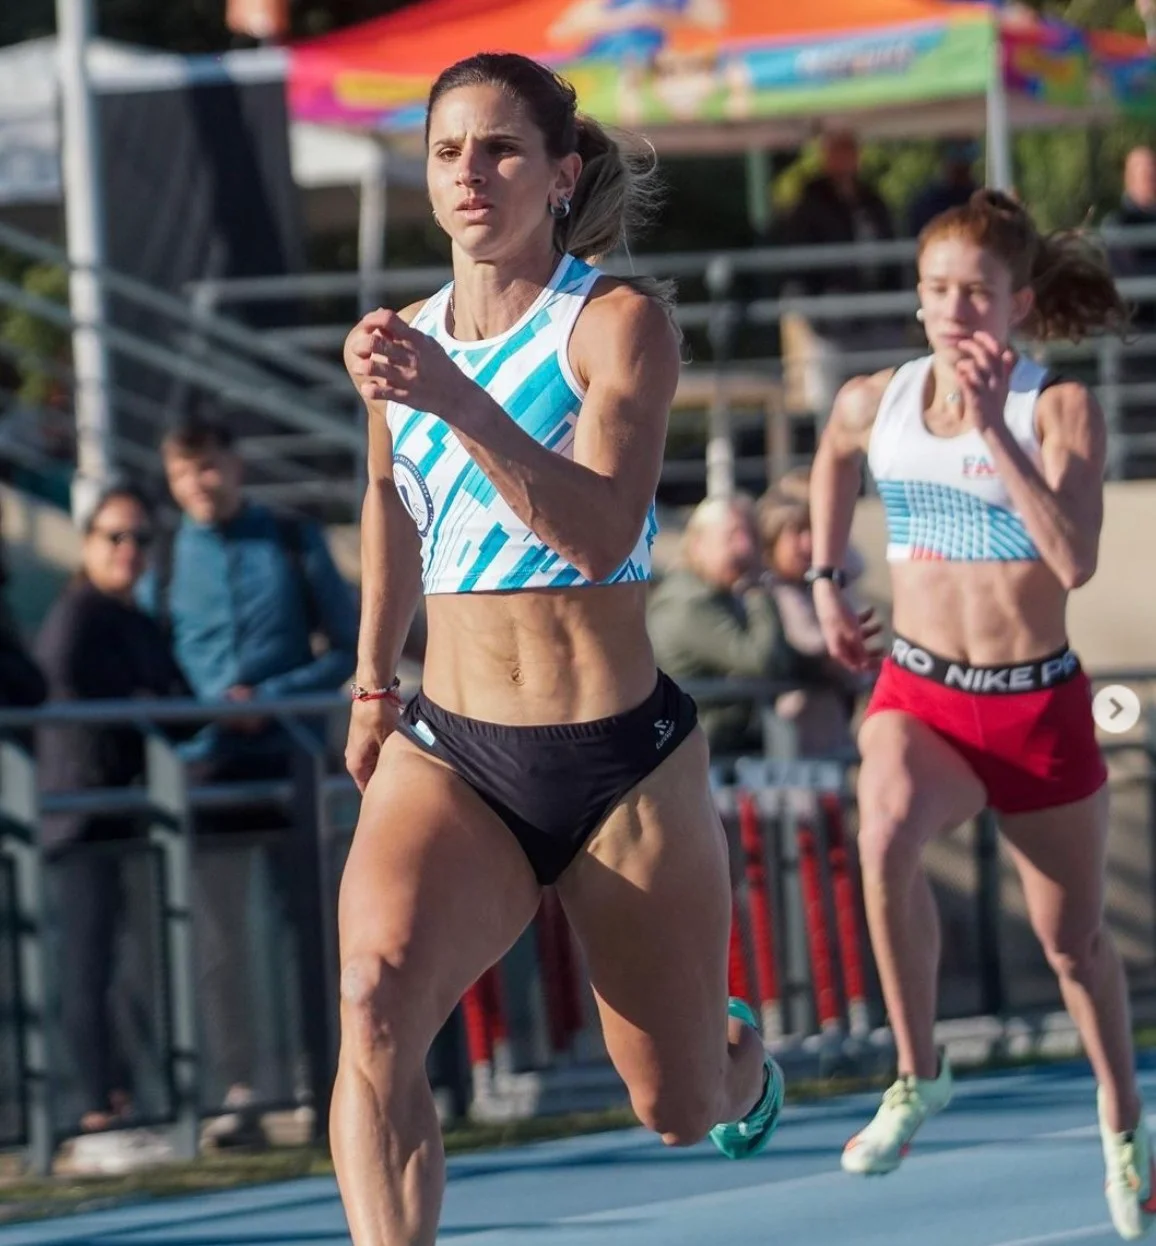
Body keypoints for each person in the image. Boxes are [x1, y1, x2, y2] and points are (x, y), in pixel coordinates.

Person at [335, 51, 784, 1246]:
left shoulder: (615, 325)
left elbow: (599, 535)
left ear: (560, 174)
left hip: (620, 765)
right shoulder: (399, 344)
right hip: (456, 755)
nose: (470, 173)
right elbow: (387, 504)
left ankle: (740, 1060)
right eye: (447, 151)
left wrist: (457, 399)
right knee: (373, 1004)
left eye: (500, 149)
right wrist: (373, 681)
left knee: (679, 1108)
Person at [808, 188, 1148, 1239]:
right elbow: (831, 455)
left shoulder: (1057, 409)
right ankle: (918, 1071)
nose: (955, 311)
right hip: (923, 693)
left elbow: (1074, 559)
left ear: (1018, 304)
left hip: (1035, 706)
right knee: (882, 832)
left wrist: (995, 426)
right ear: (916, 299)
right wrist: (826, 578)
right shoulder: (877, 400)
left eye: (976, 292)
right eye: (937, 290)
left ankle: (1122, 1123)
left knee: (1073, 945)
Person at [138, 415, 359, 1142]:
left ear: (235, 465)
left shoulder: (292, 539)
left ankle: (330, 1079)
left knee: (316, 929)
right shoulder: (163, 557)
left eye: (207, 467)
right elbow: (149, 663)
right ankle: (243, 1090)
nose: (198, 485)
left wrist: (271, 697)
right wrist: (208, 711)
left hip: (293, 759)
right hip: (205, 768)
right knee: (219, 943)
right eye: (182, 474)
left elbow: (347, 646)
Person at [35, 483, 188, 1173]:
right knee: (87, 968)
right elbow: (68, 689)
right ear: (87, 543)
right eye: (114, 537)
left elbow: (179, 699)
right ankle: (92, 1113)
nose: (128, 550)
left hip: (128, 816)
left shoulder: (136, 619)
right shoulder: (79, 615)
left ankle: (121, 1103)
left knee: (125, 971)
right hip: (81, 819)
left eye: (141, 539)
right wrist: (142, 704)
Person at [646, 493, 806, 757]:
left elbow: (779, 659)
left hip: (723, 745)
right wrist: (758, 592)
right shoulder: (689, 603)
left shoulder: (720, 594)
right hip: (704, 750)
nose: (745, 548)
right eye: (732, 536)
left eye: (751, 535)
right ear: (698, 544)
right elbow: (763, 660)